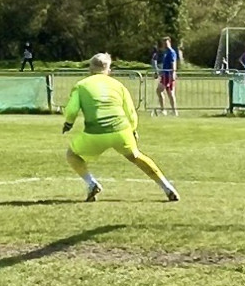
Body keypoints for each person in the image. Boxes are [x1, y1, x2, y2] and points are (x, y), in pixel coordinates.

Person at [63, 53, 179, 202]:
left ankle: (91, 183)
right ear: (109, 69)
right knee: (136, 156)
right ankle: (167, 187)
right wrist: (133, 130)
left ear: (90, 68)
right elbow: (131, 112)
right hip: (121, 131)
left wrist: (68, 123)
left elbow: (72, 110)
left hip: (95, 133)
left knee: (72, 155)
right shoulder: (118, 85)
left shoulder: (81, 85)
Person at [155, 37, 179, 116]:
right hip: (165, 75)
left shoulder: (171, 52)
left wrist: (173, 74)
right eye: (164, 43)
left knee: (168, 92)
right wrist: (160, 73)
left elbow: (173, 63)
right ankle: (168, 110)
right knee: (163, 91)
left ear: (169, 42)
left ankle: (171, 110)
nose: (165, 44)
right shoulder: (166, 52)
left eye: (166, 42)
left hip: (168, 75)